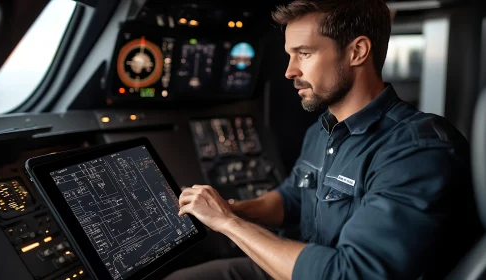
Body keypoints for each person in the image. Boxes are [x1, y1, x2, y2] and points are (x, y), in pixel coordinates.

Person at [164, 0, 481, 279]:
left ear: (357, 51)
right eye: (290, 54)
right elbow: (292, 198)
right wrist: (231, 210)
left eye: (304, 53)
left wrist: (228, 224)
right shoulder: (323, 130)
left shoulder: (417, 150)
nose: (289, 71)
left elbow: (350, 273)